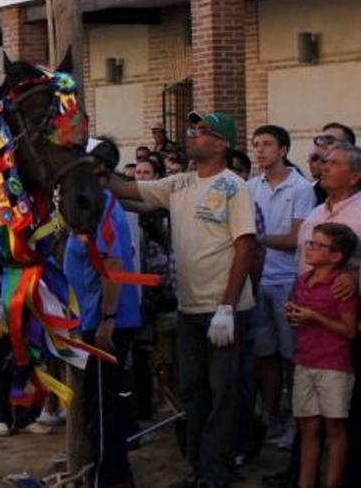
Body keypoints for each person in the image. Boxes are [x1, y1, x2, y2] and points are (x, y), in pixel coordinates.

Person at [108, 110, 257, 488]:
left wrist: (227, 306)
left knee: (222, 393)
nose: (191, 136)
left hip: (223, 309)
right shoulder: (180, 184)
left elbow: (245, 247)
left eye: (202, 132)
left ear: (222, 144)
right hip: (189, 307)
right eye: (191, 130)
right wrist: (91, 163)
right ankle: (199, 466)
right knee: (194, 389)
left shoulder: (233, 187)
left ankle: (217, 471)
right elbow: (127, 191)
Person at [66, 139, 144, 487]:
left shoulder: (102, 208)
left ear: (97, 167)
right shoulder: (87, 205)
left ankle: (108, 477)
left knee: (103, 406)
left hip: (105, 323)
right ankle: (114, 473)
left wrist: (107, 319)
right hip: (90, 319)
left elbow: (111, 264)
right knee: (98, 404)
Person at [249, 124, 317, 446]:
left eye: (267, 144)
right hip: (257, 278)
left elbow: (295, 239)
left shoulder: (301, 187)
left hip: (287, 279)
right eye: (256, 144)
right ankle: (271, 418)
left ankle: (294, 422)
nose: (260, 150)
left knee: (292, 356)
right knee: (266, 355)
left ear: (283, 150)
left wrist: (256, 240)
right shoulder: (250, 187)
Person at [286, 223, 358, 488]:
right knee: (308, 428)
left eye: (317, 245)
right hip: (305, 361)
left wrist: (314, 317)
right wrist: (294, 314)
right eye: (310, 242)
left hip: (333, 365)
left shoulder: (339, 286)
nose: (310, 248)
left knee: (335, 430)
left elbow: (350, 330)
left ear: (336, 256)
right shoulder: (303, 281)